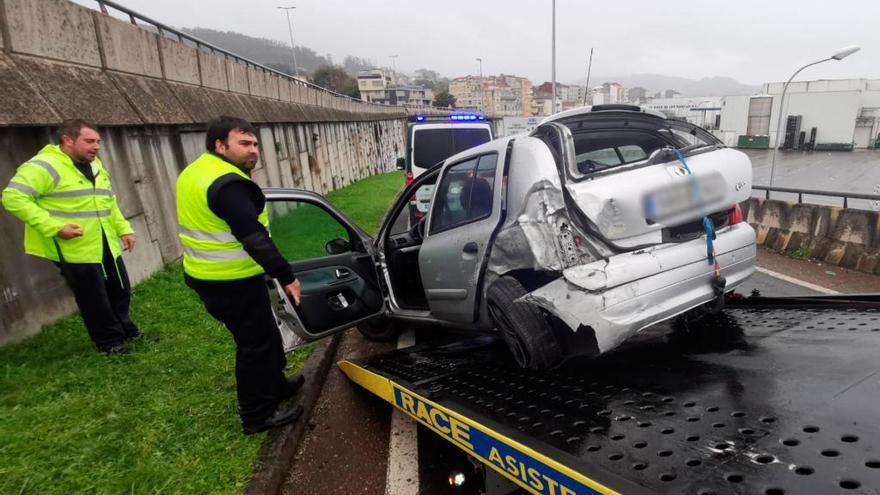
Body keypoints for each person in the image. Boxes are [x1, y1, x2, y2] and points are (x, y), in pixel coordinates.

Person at [176, 116, 304, 435]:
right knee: (254, 345)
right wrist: (287, 276)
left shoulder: (197, 171)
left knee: (265, 335)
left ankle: (276, 385)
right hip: (229, 280)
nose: (253, 151)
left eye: (255, 144)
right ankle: (257, 415)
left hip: (209, 274)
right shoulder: (228, 184)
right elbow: (253, 237)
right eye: (244, 144)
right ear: (220, 145)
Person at [1, 119, 150, 354]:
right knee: (94, 298)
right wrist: (54, 227)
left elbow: (108, 200)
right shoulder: (44, 166)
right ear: (68, 140)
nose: (96, 146)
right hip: (73, 248)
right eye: (89, 141)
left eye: (98, 142)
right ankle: (109, 342)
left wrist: (124, 229)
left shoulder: (96, 165)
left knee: (120, 289)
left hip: (104, 242)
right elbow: (13, 198)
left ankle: (128, 331)